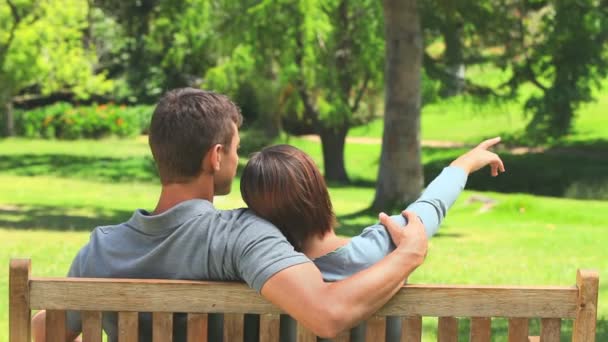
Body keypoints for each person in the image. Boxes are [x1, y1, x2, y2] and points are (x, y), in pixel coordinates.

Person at [31, 88, 428, 342]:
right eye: (236, 148)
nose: (238, 159)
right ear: (216, 156)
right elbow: (326, 314)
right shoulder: (240, 235)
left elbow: (44, 333)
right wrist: (408, 255)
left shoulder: (101, 249)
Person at [240, 139, 505, 340]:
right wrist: (465, 163)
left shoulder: (254, 266)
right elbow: (431, 205)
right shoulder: (382, 248)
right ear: (318, 192)